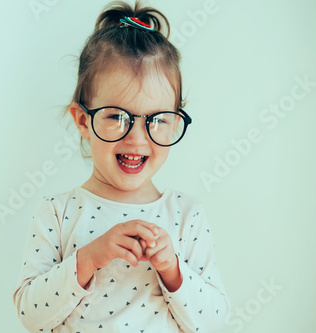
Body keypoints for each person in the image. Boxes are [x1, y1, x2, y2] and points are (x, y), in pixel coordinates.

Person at [12, 1, 230, 332]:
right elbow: (31, 316)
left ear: (174, 123)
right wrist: (89, 258)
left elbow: (214, 322)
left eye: (157, 119)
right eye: (116, 116)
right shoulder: (58, 212)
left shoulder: (187, 216)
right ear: (83, 120)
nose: (137, 139)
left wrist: (172, 269)